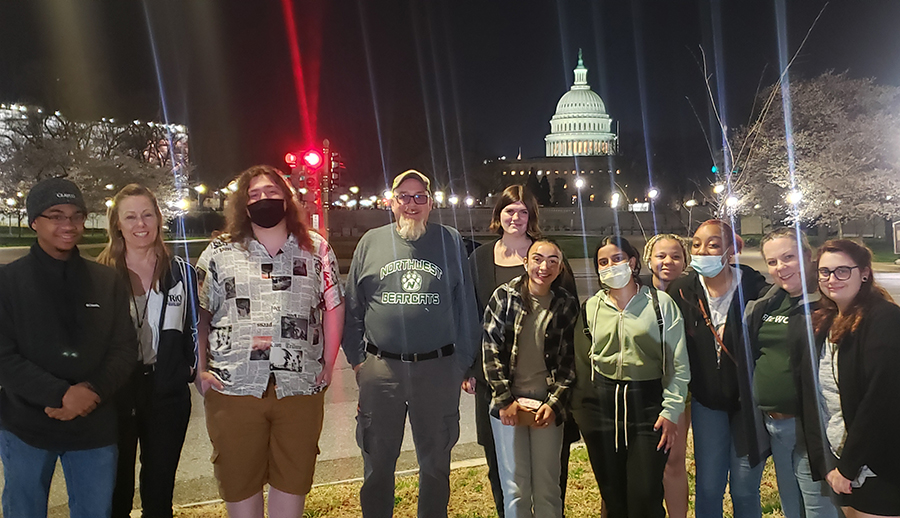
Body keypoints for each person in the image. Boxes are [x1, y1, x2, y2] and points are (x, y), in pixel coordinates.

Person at [195, 165, 344, 518]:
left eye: (272, 192)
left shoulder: (316, 248)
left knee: (291, 488)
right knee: (239, 487)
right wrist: (199, 369)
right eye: (255, 194)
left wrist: (328, 362)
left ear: (288, 199)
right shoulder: (219, 252)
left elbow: (334, 305)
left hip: (299, 388)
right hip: (234, 389)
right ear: (243, 205)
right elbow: (199, 315)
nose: (265, 199)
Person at [342, 170, 479, 518]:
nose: (412, 204)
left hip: (437, 369)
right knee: (377, 463)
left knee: (435, 465)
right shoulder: (371, 242)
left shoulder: (449, 241)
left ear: (431, 203)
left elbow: (466, 306)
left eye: (420, 197)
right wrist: (359, 361)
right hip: (381, 370)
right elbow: (353, 306)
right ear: (391, 202)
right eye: (404, 196)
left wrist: (460, 363)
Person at [0, 177, 137, 517]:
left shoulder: (107, 281)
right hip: (25, 426)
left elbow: (124, 349)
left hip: (94, 425)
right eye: (56, 215)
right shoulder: (8, 282)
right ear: (34, 222)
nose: (69, 224)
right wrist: (60, 395)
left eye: (76, 215)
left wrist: (90, 391)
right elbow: (3, 356)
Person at [467, 185, 579, 517]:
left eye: (523, 211)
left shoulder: (549, 256)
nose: (516, 217)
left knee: (549, 471)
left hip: (546, 386)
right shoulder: (480, 259)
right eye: (509, 210)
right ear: (497, 215)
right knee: (504, 467)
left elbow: (567, 331)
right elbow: (473, 318)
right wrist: (472, 368)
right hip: (496, 379)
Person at [98, 184, 199, 518]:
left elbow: (195, 328)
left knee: (159, 494)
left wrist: (191, 370)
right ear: (117, 224)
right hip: (116, 393)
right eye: (130, 216)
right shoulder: (99, 274)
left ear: (158, 219)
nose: (140, 223)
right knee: (116, 494)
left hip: (166, 393)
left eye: (147, 214)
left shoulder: (181, 272)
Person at [571, 235, 690, 518]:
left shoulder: (660, 304)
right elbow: (583, 360)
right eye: (603, 262)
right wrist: (583, 413)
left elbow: (678, 363)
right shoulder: (592, 307)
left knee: (645, 494)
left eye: (617, 259)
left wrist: (672, 409)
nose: (610, 266)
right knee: (613, 496)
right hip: (603, 407)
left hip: (647, 406)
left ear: (633, 262)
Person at [667, 220, 769, 518]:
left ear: (730, 250)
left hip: (748, 405)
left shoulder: (756, 291)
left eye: (713, 244)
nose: (702, 251)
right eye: (696, 244)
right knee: (709, 487)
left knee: (744, 489)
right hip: (706, 402)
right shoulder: (683, 290)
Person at [799, 240, 900, 517]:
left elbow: (880, 402)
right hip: (839, 461)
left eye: (843, 271)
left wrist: (848, 467)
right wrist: (826, 463)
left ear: (864, 273)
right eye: (825, 272)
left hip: (879, 465)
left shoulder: (885, 319)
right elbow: (814, 399)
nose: (832, 279)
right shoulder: (825, 322)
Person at [743, 228, 838, 518]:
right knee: (791, 508)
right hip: (775, 426)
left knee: (819, 509)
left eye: (788, 257)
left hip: (810, 427)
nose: (780, 268)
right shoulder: (769, 301)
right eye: (772, 262)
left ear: (808, 257)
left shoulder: (826, 304)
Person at [642, 233, 691, 518]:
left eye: (675, 256)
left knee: (674, 461)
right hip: (644, 390)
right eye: (661, 255)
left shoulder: (691, 295)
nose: (668, 262)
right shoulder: (637, 294)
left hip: (679, 391)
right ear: (649, 259)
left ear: (685, 261)